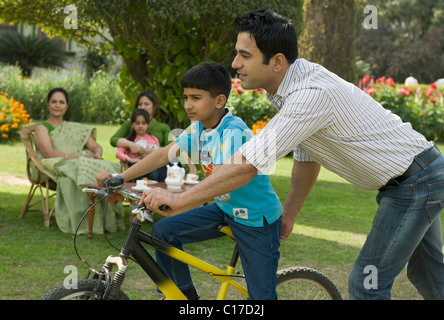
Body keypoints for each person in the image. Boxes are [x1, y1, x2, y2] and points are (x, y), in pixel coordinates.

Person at [138, 8, 444, 300]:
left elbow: (248, 164)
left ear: (277, 61)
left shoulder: (309, 95)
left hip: (415, 182)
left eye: (244, 55)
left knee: (366, 283)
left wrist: (179, 198)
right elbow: (307, 155)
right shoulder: (287, 89)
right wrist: (291, 212)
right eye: (237, 53)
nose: (234, 63)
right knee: (428, 276)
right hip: (418, 174)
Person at [96, 62, 282, 300]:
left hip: (257, 220)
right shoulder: (199, 129)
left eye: (196, 97)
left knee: (261, 298)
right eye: (185, 97)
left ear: (219, 101)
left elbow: (227, 180)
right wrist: (121, 176)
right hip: (226, 209)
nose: (188, 105)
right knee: (164, 231)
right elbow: (164, 154)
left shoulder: (233, 131)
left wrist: (179, 200)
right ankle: (184, 298)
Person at [34, 87, 125, 234]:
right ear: (48, 104)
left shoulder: (75, 128)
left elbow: (95, 146)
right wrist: (81, 158)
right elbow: (49, 153)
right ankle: (84, 219)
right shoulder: (42, 129)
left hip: (77, 160)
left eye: (61, 102)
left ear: (67, 106)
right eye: (54, 102)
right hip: (55, 162)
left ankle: (106, 218)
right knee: (77, 167)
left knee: (105, 167)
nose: (57, 105)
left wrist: (97, 153)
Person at [110, 90, 196, 181]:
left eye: (146, 104)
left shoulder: (163, 127)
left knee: (171, 161)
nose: (143, 107)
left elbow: (174, 147)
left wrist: (192, 167)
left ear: (154, 106)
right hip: (138, 162)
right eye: (140, 104)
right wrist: (131, 145)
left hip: (160, 161)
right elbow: (114, 140)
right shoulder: (131, 124)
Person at [115, 108, 164, 181]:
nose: (140, 126)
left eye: (143, 123)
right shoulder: (130, 140)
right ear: (132, 124)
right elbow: (118, 153)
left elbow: (158, 155)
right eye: (137, 123)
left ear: (148, 124)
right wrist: (130, 159)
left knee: (155, 173)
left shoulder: (154, 139)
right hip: (136, 166)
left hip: (151, 167)